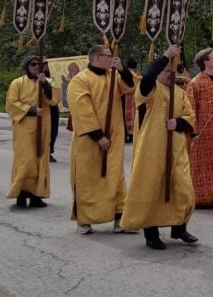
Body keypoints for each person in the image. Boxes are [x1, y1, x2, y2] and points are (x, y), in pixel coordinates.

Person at [120, 45, 197, 248]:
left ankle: (179, 227)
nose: (171, 75)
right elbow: (146, 78)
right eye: (166, 71)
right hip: (151, 151)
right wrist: (165, 57)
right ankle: (151, 233)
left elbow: (190, 116)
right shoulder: (150, 90)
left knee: (183, 189)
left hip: (176, 149)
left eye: (172, 71)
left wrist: (179, 123)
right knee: (151, 190)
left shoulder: (180, 93)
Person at [67, 45, 135, 234]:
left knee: (116, 177)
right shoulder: (80, 80)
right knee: (88, 180)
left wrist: (121, 69)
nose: (112, 58)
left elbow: (129, 86)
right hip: (89, 141)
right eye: (109, 56)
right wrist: (98, 136)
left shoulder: (112, 77)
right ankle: (85, 220)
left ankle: (119, 217)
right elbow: (82, 111)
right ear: (97, 58)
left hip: (113, 136)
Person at [5, 56, 61, 208]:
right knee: (26, 160)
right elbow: (11, 104)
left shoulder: (47, 82)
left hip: (43, 127)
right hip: (24, 128)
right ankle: (21, 194)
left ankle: (37, 195)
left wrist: (44, 84)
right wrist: (31, 110)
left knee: (41, 160)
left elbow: (54, 100)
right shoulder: (17, 83)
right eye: (34, 64)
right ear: (27, 66)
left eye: (40, 64)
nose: (37, 67)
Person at [186, 47, 213, 206]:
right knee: (200, 165)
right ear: (206, 62)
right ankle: (199, 198)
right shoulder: (195, 83)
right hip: (202, 132)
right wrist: (193, 131)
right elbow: (190, 108)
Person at [122, 58, 142, 143]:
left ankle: (126, 134)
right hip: (134, 96)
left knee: (125, 115)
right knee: (133, 115)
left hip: (125, 96)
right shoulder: (137, 74)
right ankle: (132, 135)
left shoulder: (127, 73)